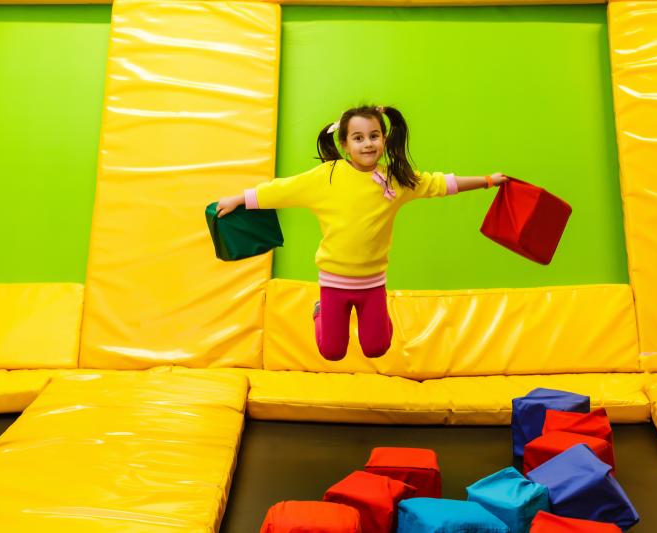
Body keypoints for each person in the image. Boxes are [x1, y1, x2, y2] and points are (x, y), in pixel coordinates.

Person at [216, 105, 507, 361]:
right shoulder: (328, 176)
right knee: (332, 351)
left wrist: (486, 180)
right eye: (358, 138)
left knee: (377, 347)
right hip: (334, 281)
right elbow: (282, 190)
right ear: (344, 144)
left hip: (372, 283)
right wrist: (240, 199)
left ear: (384, 139)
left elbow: (439, 184)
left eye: (374, 136)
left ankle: (377, 320)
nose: (367, 144)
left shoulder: (395, 180)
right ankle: (320, 311)